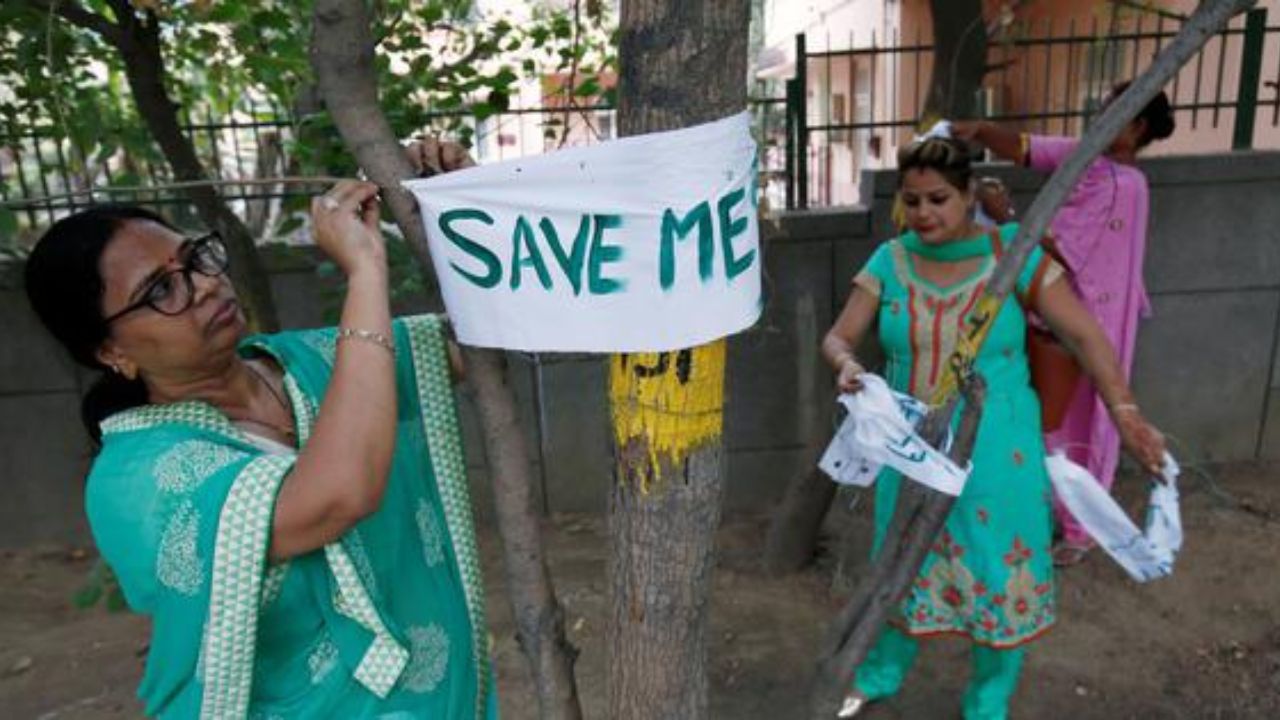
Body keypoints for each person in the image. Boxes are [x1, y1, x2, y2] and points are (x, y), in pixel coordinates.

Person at [23, 143, 496, 717]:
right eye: (159, 291)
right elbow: (335, 496)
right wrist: (364, 273)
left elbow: (484, 346)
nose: (201, 286)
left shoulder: (308, 365)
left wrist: (474, 211)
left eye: (194, 259)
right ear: (111, 351)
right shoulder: (136, 481)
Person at [822, 136, 1165, 719]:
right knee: (901, 560)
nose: (924, 213)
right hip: (911, 446)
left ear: (968, 195)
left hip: (999, 444)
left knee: (999, 562)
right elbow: (837, 336)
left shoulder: (1014, 256)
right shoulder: (890, 260)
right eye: (912, 201)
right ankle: (880, 673)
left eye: (938, 199)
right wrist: (848, 366)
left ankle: (989, 698)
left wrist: (1125, 412)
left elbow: (1085, 335)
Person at [953, 81, 1175, 566]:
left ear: (1136, 127)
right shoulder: (1092, 160)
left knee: (1076, 420)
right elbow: (1030, 149)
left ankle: (1078, 529)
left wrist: (1004, 215)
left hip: (1082, 323)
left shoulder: (1117, 184)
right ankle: (1064, 518)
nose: (1099, 116)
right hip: (1067, 314)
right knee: (1061, 418)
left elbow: (1057, 248)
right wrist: (981, 130)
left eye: (1113, 112)